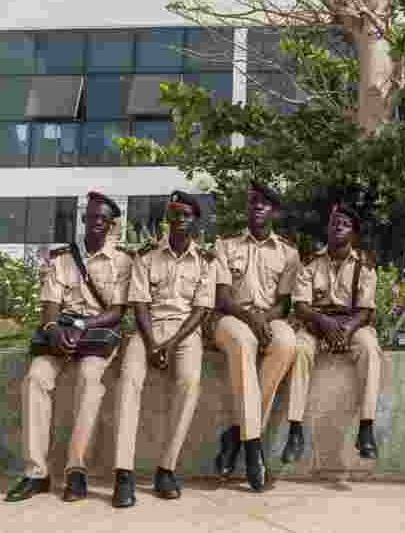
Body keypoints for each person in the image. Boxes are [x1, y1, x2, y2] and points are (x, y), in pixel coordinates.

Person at [6, 192, 132, 503]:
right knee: (36, 379)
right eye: (91, 217)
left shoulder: (123, 261)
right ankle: (37, 473)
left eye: (103, 219)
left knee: (90, 381)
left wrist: (80, 328)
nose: (96, 223)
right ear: (84, 219)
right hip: (62, 334)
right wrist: (51, 329)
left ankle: (76, 470)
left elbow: (117, 312)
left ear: (112, 224)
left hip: (97, 335)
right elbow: (49, 304)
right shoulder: (63, 258)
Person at [111, 191, 216, 508]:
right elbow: (140, 303)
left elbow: (200, 311)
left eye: (186, 214)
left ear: (195, 220)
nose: (180, 219)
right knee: (128, 381)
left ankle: (166, 468)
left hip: (185, 333)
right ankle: (123, 473)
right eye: (174, 214)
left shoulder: (207, 261)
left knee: (190, 383)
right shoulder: (146, 257)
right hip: (147, 329)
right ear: (167, 220)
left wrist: (170, 344)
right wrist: (153, 343)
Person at [209, 181, 302, 490]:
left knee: (288, 342)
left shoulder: (289, 252)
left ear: (273, 211)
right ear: (247, 207)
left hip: (268, 317)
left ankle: (237, 434)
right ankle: (253, 450)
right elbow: (221, 296)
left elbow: (285, 302)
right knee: (243, 342)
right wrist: (250, 316)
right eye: (253, 202)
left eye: (265, 203)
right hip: (230, 318)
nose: (258, 206)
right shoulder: (225, 245)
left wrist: (264, 318)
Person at [288, 203, 383, 459]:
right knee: (299, 350)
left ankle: (366, 428)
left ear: (353, 233)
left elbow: (366, 310)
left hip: (352, 324)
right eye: (334, 223)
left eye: (345, 224)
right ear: (327, 228)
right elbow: (300, 306)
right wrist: (325, 324)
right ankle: (295, 429)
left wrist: (346, 330)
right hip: (315, 323)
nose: (339, 227)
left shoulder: (365, 265)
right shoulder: (310, 262)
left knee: (370, 349)